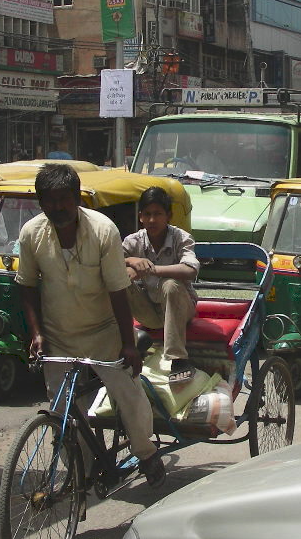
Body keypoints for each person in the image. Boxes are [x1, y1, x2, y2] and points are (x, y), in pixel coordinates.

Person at [16, 164, 165, 487]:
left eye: (64, 200)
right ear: (41, 203)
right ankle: (79, 473)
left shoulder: (103, 230)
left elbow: (118, 290)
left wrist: (128, 344)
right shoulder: (31, 233)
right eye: (49, 202)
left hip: (103, 332)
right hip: (58, 335)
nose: (57, 208)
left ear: (76, 198)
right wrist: (37, 334)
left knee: (128, 391)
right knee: (64, 412)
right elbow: (26, 285)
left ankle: (147, 452)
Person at [122, 187, 199, 384]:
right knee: (117, 281)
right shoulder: (133, 241)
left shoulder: (181, 238)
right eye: (147, 214)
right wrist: (130, 261)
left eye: (157, 214)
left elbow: (190, 269)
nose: (152, 220)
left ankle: (178, 359)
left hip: (181, 309)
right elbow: (108, 261)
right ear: (140, 217)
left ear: (169, 216)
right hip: (150, 312)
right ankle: (120, 345)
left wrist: (150, 269)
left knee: (170, 285)